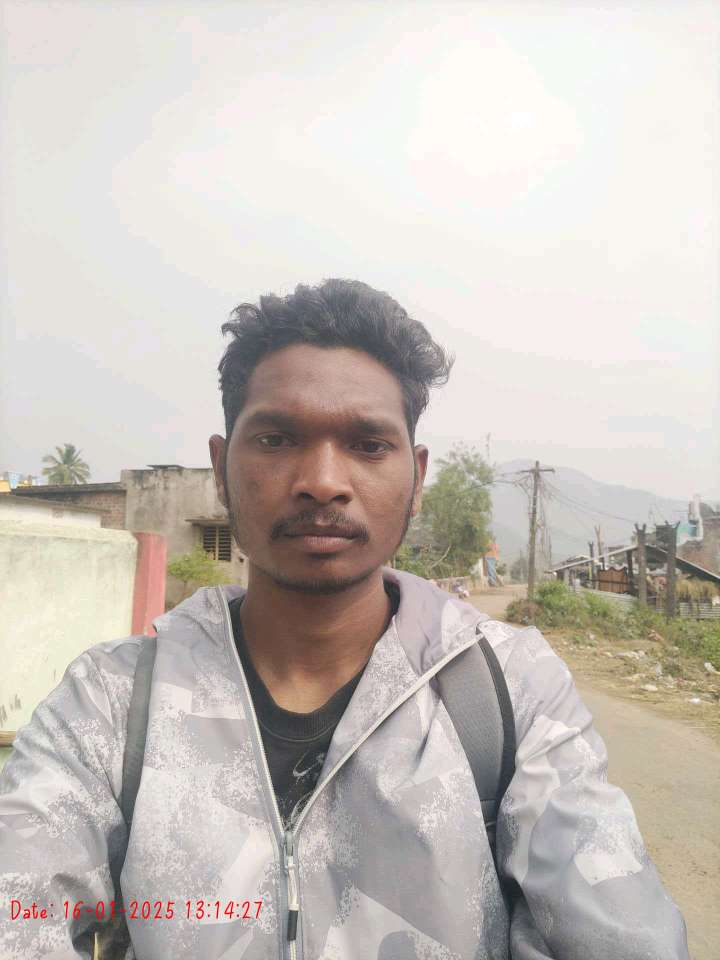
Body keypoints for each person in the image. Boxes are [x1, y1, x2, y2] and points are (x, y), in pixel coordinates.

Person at [0, 279, 689, 959]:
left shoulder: (512, 688)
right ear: (220, 466)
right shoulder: (111, 702)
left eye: (368, 444)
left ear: (416, 477)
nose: (323, 481)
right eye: (276, 439)